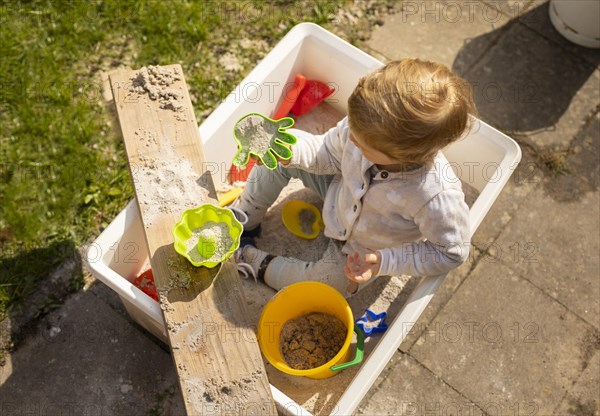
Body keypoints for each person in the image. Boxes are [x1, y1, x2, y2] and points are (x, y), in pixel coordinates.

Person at [233, 58, 475, 297]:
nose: (351, 140)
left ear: (403, 155)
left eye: (361, 144)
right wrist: (292, 154)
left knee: (325, 287)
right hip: (339, 194)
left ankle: (257, 262)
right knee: (281, 151)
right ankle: (242, 221)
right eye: (353, 129)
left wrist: (383, 261)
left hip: (363, 250)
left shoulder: (435, 196)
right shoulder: (365, 125)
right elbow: (326, 151)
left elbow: (450, 252)